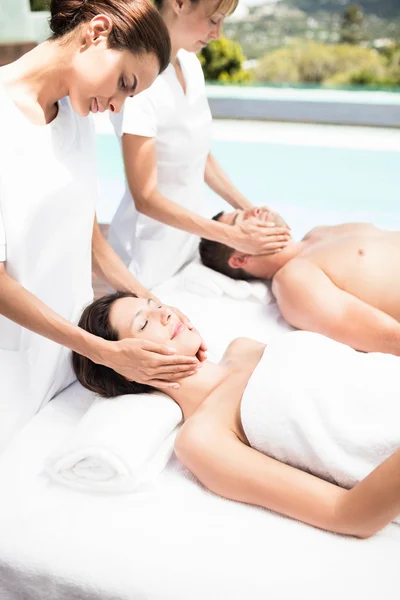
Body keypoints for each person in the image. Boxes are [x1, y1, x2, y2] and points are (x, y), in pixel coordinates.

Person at [0, 0, 206, 452]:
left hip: (67, 358)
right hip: (12, 371)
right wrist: (103, 351)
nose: (116, 107)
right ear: (97, 31)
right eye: (124, 84)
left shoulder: (75, 114)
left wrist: (158, 307)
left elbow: (89, 240)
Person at [72, 291, 400, 538]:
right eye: (143, 323)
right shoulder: (203, 439)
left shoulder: (242, 347)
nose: (166, 314)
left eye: (156, 305)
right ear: (128, 368)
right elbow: (348, 514)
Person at [108, 0, 291, 289]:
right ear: (178, 3)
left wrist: (251, 211)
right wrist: (232, 237)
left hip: (187, 241)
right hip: (145, 253)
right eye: (214, 19)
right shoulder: (139, 80)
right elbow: (145, 198)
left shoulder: (190, 65)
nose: (218, 33)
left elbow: (198, 156)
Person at [199, 207, 400, 355]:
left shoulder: (319, 232)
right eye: (240, 221)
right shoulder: (293, 281)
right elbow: (387, 337)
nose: (254, 210)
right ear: (240, 259)